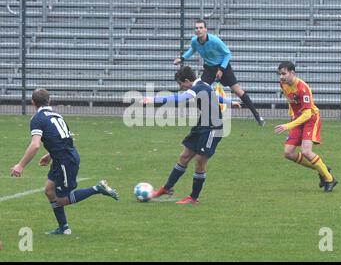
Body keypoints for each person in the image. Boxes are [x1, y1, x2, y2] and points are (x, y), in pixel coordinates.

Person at [10, 89, 119, 234]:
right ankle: (64, 228)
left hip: (65, 161)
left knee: (61, 199)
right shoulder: (57, 115)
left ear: (33, 102)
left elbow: (35, 144)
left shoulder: (37, 118)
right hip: (63, 157)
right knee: (49, 191)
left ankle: (97, 188)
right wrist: (50, 155)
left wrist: (20, 165)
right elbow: (64, 138)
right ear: (49, 101)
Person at [143, 66, 240, 203]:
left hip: (213, 128)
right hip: (202, 125)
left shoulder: (196, 88)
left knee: (200, 161)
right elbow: (214, 95)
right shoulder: (203, 85)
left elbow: (180, 99)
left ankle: (193, 197)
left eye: (180, 83)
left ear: (187, 80)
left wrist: (154, 100)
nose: (181, 86)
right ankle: (166, 188)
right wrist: (230, 102)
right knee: (184, 156)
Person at [174, 19, 265, 126]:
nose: (198, 30)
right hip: (209, 68)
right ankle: (206, 118)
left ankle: (257, 115)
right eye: (196, 28)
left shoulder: (214, 40)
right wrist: (182, 58)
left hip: (223, 67)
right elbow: (192, 50)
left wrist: (221, 69)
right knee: (200, 90)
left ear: (205, 29)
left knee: (238, 91)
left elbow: (227, 54)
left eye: (201, 28)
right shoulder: (194, 41)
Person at [274, 61, 337, 192]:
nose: (281, 77)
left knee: (306, 151)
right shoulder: (283, 84)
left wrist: (288, 125)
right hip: (297, 119)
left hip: (310, 119)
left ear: (292, 73)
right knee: (288, 153)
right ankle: (322, 168)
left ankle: (330, 179)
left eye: (284, 74)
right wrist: (291, 115)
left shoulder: (303, 88)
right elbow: (291, 102)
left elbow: (307, 114)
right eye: (280, 74)